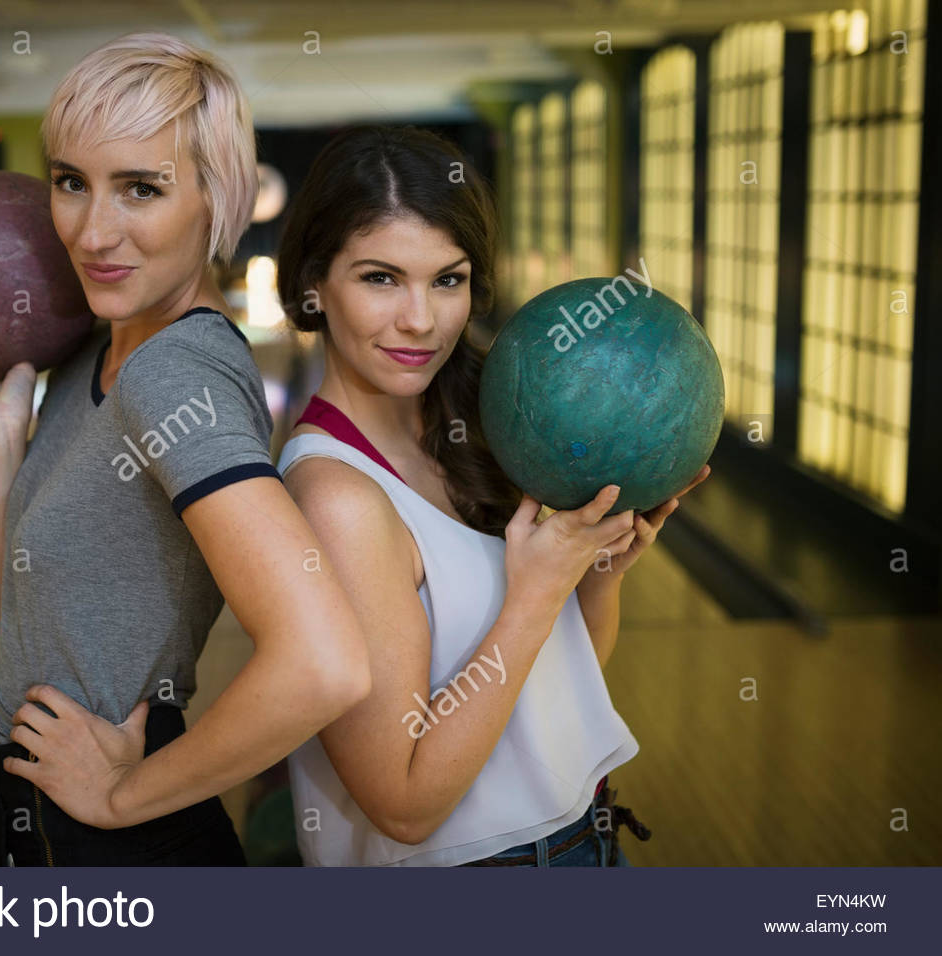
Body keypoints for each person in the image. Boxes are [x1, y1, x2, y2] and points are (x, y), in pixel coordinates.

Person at [0, 33, 370, 866]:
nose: (94, 231)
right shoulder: (95, 356)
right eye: (71, 183)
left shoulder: (173, 375)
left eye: (142, 189)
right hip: (31, 794)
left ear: (216, 198)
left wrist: (124, 796)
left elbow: (326, 663)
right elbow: (9, 617)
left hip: (97, 829)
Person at [273, 126, 709, 867]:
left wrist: (597, 573)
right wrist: (534, 595)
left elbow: (559, 683)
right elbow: (403, 805)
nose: (422, 319)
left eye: (448, 278)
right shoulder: (336, 498)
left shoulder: (492, 425)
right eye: (380, 278)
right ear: (314, 284)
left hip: (585, 841)